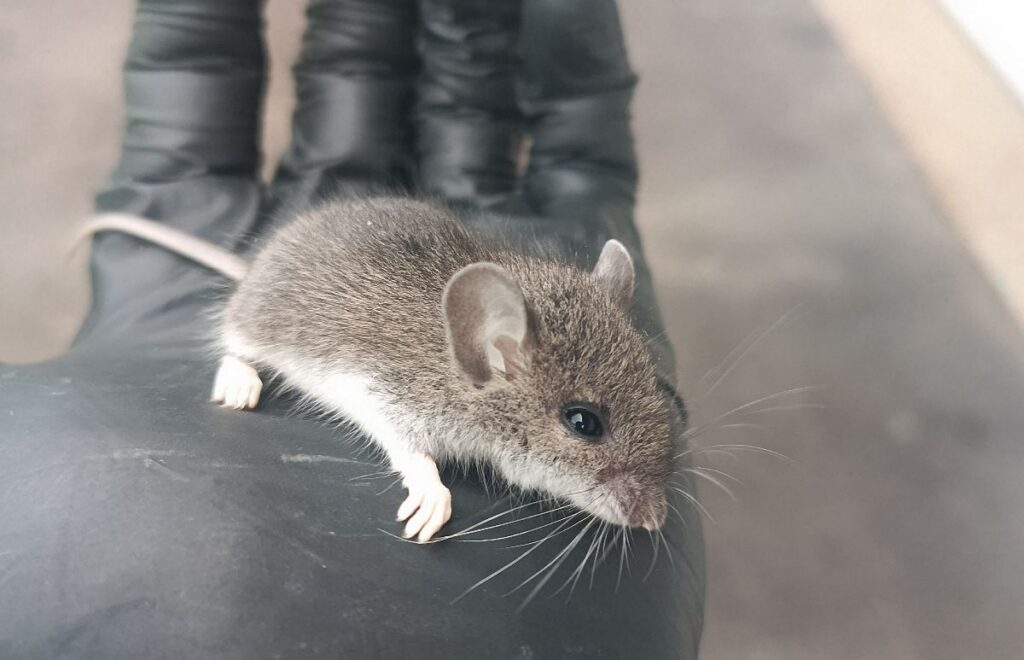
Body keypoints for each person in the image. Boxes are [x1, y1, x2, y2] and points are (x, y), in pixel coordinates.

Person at [0, 1, 704, 657]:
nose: (647, 510)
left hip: (409, 249)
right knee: (253, 331)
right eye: (584, 422)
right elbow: (379, 393)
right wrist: (420, 469)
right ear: (492, 357)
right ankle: (238, 351)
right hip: (296, 291)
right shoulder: (444, 377)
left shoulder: (522, 367)